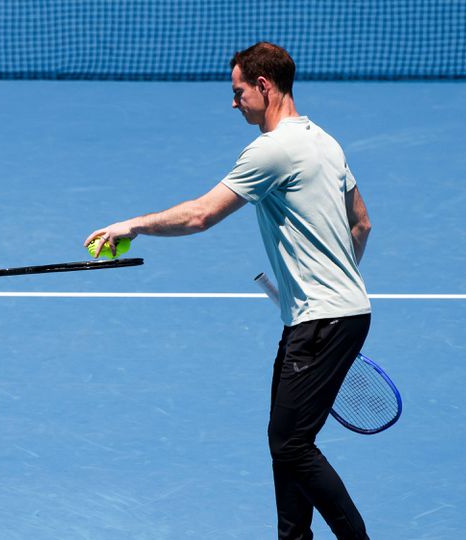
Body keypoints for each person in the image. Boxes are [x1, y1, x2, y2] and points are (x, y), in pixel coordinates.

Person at [85, 42, 373, 539]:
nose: (233, 102)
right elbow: (362, 225)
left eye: (238, 91)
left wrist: (132, 225)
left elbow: (201, 214)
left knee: (291, 446)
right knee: (285, 440)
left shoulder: (272, 148)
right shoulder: (326, 141)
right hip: (329, 313)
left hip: (322, 319)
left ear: (264, 86)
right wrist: (334, 281)